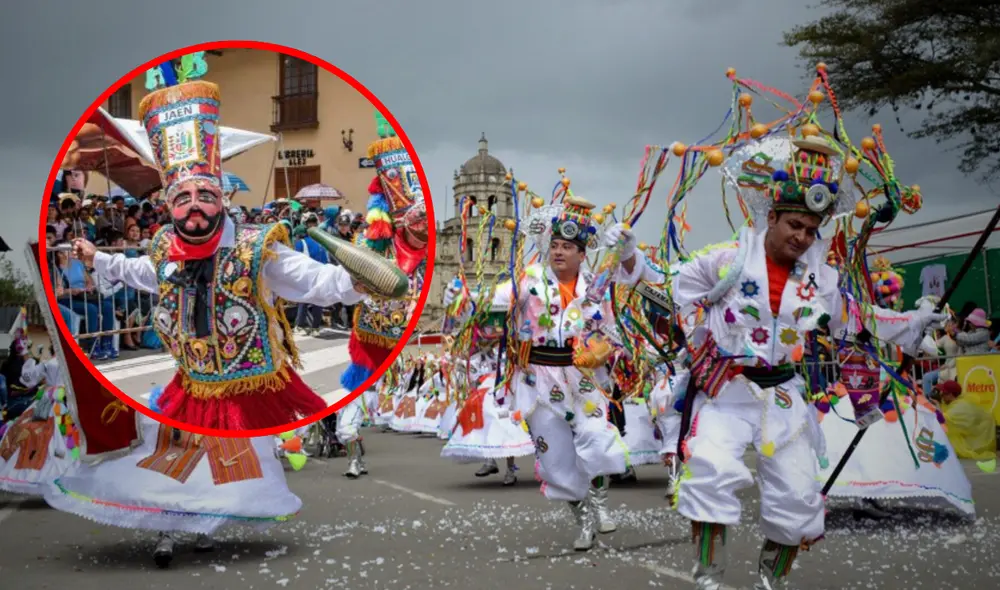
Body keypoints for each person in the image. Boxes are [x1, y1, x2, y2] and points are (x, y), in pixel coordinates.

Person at [670, 130, 946, 589]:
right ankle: (709, 581)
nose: (801, 236)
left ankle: (770, 583)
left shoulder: (820, 279)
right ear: (772, 217)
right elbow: (678, 294)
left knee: (799, 502)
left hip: (782, 396)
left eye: (810, 230)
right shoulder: (724, 261)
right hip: (727, 391)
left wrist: (914, 321)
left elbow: (853, 319)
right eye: (793, 225)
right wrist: (701, 346)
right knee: (710, 475)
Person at [71, 77, 367, 431]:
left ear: (221, 199)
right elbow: (143, 272)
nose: (194, 205)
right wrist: (96, 258)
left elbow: (313, 278)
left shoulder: (256, 248)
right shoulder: (167, 248)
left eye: (205, 195)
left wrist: (356, 279)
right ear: (169, 206)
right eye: (183, 198)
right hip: (192, 391)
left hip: (252, 396)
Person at [492, 192, 660, 551]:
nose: (558, 252)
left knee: (598, 439)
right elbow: (497, 302)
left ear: (582, 254)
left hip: (584, 379)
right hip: (540, 378)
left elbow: (615, 323)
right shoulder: (529, 280)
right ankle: (582, 518)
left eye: (568, 246)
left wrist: (602, 351)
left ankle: (599, 504)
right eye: (554, 245)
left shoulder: (596, 288)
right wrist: (494, 300)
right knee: (556, 461)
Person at [938, 380, 997, 462]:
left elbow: (944, 419)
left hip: (972, 445)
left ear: (950, 395)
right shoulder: (959, 403)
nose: (941, 396)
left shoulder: (959, 407)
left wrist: (933, 406)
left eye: (942, 394)